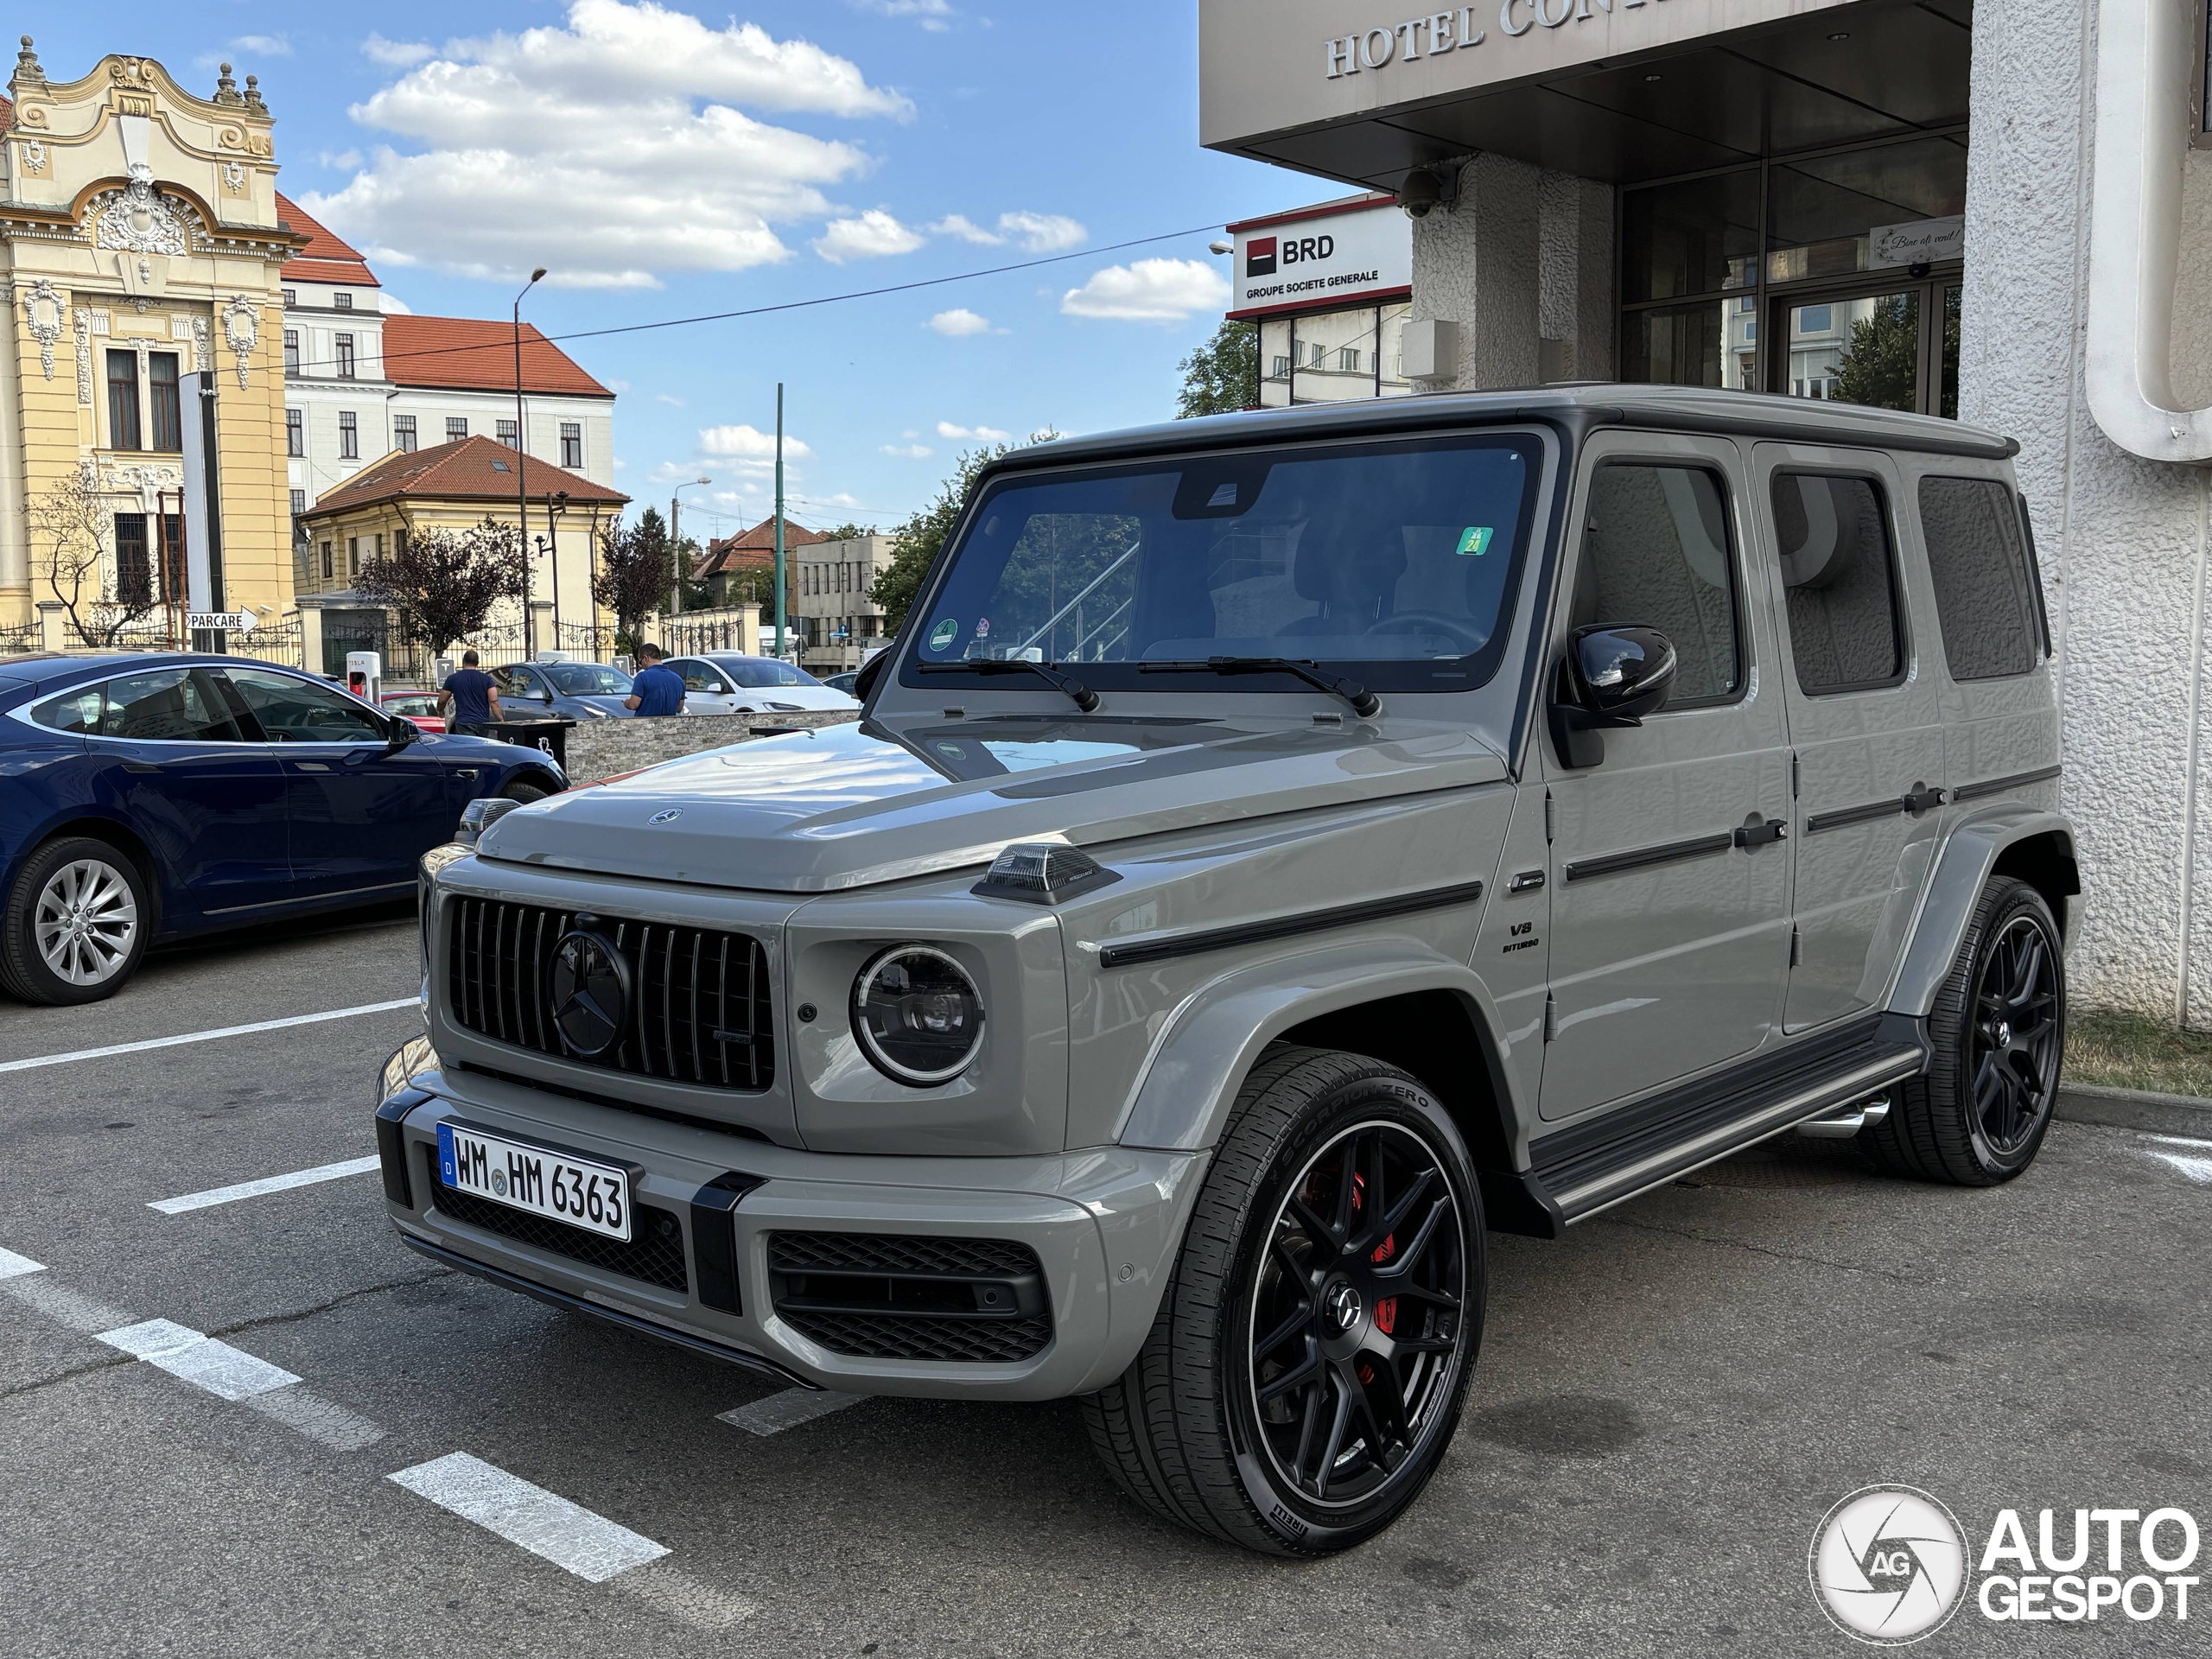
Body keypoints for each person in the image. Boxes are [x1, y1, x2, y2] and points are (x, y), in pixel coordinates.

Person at [439, 650, 501, 735]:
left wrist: (440, 710)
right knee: (481, 748)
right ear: (477, 663)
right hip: (482, 722)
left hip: (463, 722)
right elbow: (494, 702)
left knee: (466, 747)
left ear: (463, 661)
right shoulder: (487, 679)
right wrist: (500, 719)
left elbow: (442, 700)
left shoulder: (453, 679)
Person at [624, 643, 686, 717]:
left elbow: (633, 705)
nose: (641, 666)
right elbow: (679, 708)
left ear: (645, 658)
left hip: (645, 725)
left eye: (640, 662)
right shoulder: (678, 680)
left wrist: (626, 702)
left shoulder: (643, 677)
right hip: (668, 726)